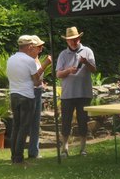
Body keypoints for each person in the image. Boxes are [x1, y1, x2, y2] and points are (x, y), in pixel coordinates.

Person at [6, 35, 51, 165]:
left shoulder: (11, 59)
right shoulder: (29, 61)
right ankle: (19, 159)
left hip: (13, 95)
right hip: (26, 97)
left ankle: (14, 156)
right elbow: (37, 82)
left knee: (16, 127)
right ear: (30, 46)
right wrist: (40, 77)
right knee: (24, 128)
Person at [56, 27, 96, 157]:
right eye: (71, 40)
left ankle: (83, 148)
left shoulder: (87, 51)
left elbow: (94, 69)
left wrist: (86, 62)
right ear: (67, 41)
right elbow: (58, 74)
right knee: (66, 122)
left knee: (83, 121)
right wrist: (68, 71)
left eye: (75, 39)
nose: (73, 42)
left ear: (79, 38)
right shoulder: (63, 54)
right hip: (67, 94)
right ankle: (64, 149)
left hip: (84, 93)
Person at [28, 36, 52, 159]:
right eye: (39, 47)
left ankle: (34, 151)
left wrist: (41, 83)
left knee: (36, 124)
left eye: (42, 46)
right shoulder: (29, 60)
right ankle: (31, 151)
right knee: (30, 123)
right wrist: (46, 64)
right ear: (32, 47)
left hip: (37, 91)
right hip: (31, 93)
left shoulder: (35, 58)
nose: (41, 49)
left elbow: (38, 79)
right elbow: (34, 78)